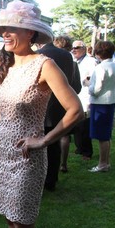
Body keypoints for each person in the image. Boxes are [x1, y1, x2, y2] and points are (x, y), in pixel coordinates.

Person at [0, 0, 83, 228]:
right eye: (4, 28)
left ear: (30, 33)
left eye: (13, 28)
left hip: (27, 158)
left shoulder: (44, 65)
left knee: (23, 226)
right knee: (10, 220)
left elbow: (75, 110)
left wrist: (44, 141)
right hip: (1, 155)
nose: (5, 33)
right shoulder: (6, 66)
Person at [37, 40, 80, 191]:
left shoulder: (38, 56)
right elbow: (75, 85)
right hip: (62, 106)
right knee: (54, 144)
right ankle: (51, 179)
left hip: (42, 106)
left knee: (39, 144)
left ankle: (40, 179)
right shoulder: (67, 56)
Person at [87, 41, 115, 172]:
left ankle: (102, 164)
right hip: (110, 101)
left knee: (101, 136)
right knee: (106, 134)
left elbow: (97, 88)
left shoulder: (101, 67)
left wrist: (88, 85)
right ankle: (106, 162)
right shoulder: (114, 65)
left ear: (99, 52)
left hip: (100, 102)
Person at [53, 35, 82, 172]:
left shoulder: (49, 62)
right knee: (64, 134)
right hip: (67, 103)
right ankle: (63, 164)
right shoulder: (74, 64)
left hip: (51, 102)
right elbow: (77, 87)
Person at [72, 40, 97, 160]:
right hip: (75, 95)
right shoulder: (73, 60)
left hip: (85, 95)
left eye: (77, 47)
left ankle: (87, 152)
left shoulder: (91, 61)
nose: (74, 49)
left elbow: (92, 78)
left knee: (85, 126)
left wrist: (85, 82)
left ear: (84, 48)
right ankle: (79, 148)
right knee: (76, 124)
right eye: (73, 47)